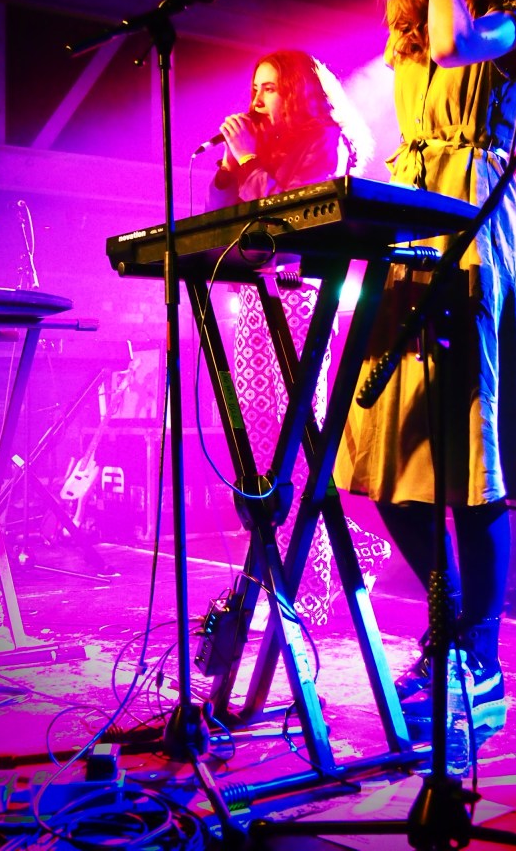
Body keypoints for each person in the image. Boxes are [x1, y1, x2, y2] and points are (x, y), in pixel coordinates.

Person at [333, 0, 516, 730]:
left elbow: (460, 44)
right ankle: (451, 627)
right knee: (380, 452)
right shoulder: (407, 29)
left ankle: (482, 661)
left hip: (474, 221)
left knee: (471, 459)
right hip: (409, 223)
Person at [205, 49, 388, 627]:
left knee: (293, 440)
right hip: (255, 300)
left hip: (299, 299)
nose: (256, 100)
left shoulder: (324, 141)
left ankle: (305, 581)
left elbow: (293, 218)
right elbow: (221, 221)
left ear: (298, 90)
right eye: (254, 89)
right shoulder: (266, 147)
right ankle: (292, 570)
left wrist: (250, 161)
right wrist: (231, 167)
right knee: (256, 442)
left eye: (269, 88)